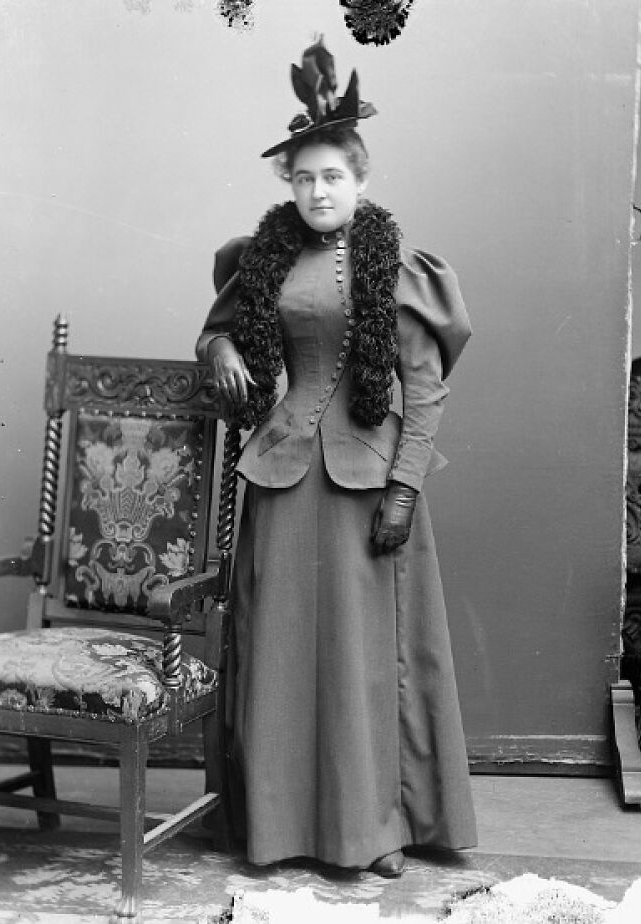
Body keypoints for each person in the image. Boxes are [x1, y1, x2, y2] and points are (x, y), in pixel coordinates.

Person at [196, 36, 476, 878]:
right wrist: (218, 348)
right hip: (283, 475)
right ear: (289, 185)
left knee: (364, 664)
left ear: (361, 182)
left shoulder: (399, 268)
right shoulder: (264, 257)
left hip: (367, 482)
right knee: (280, 653)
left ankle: (374, 831)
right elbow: (219, 324)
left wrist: (403, 490)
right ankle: (279, 830)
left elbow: (424, 391)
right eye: (305, 177)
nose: (319, 191)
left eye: (334, 177)